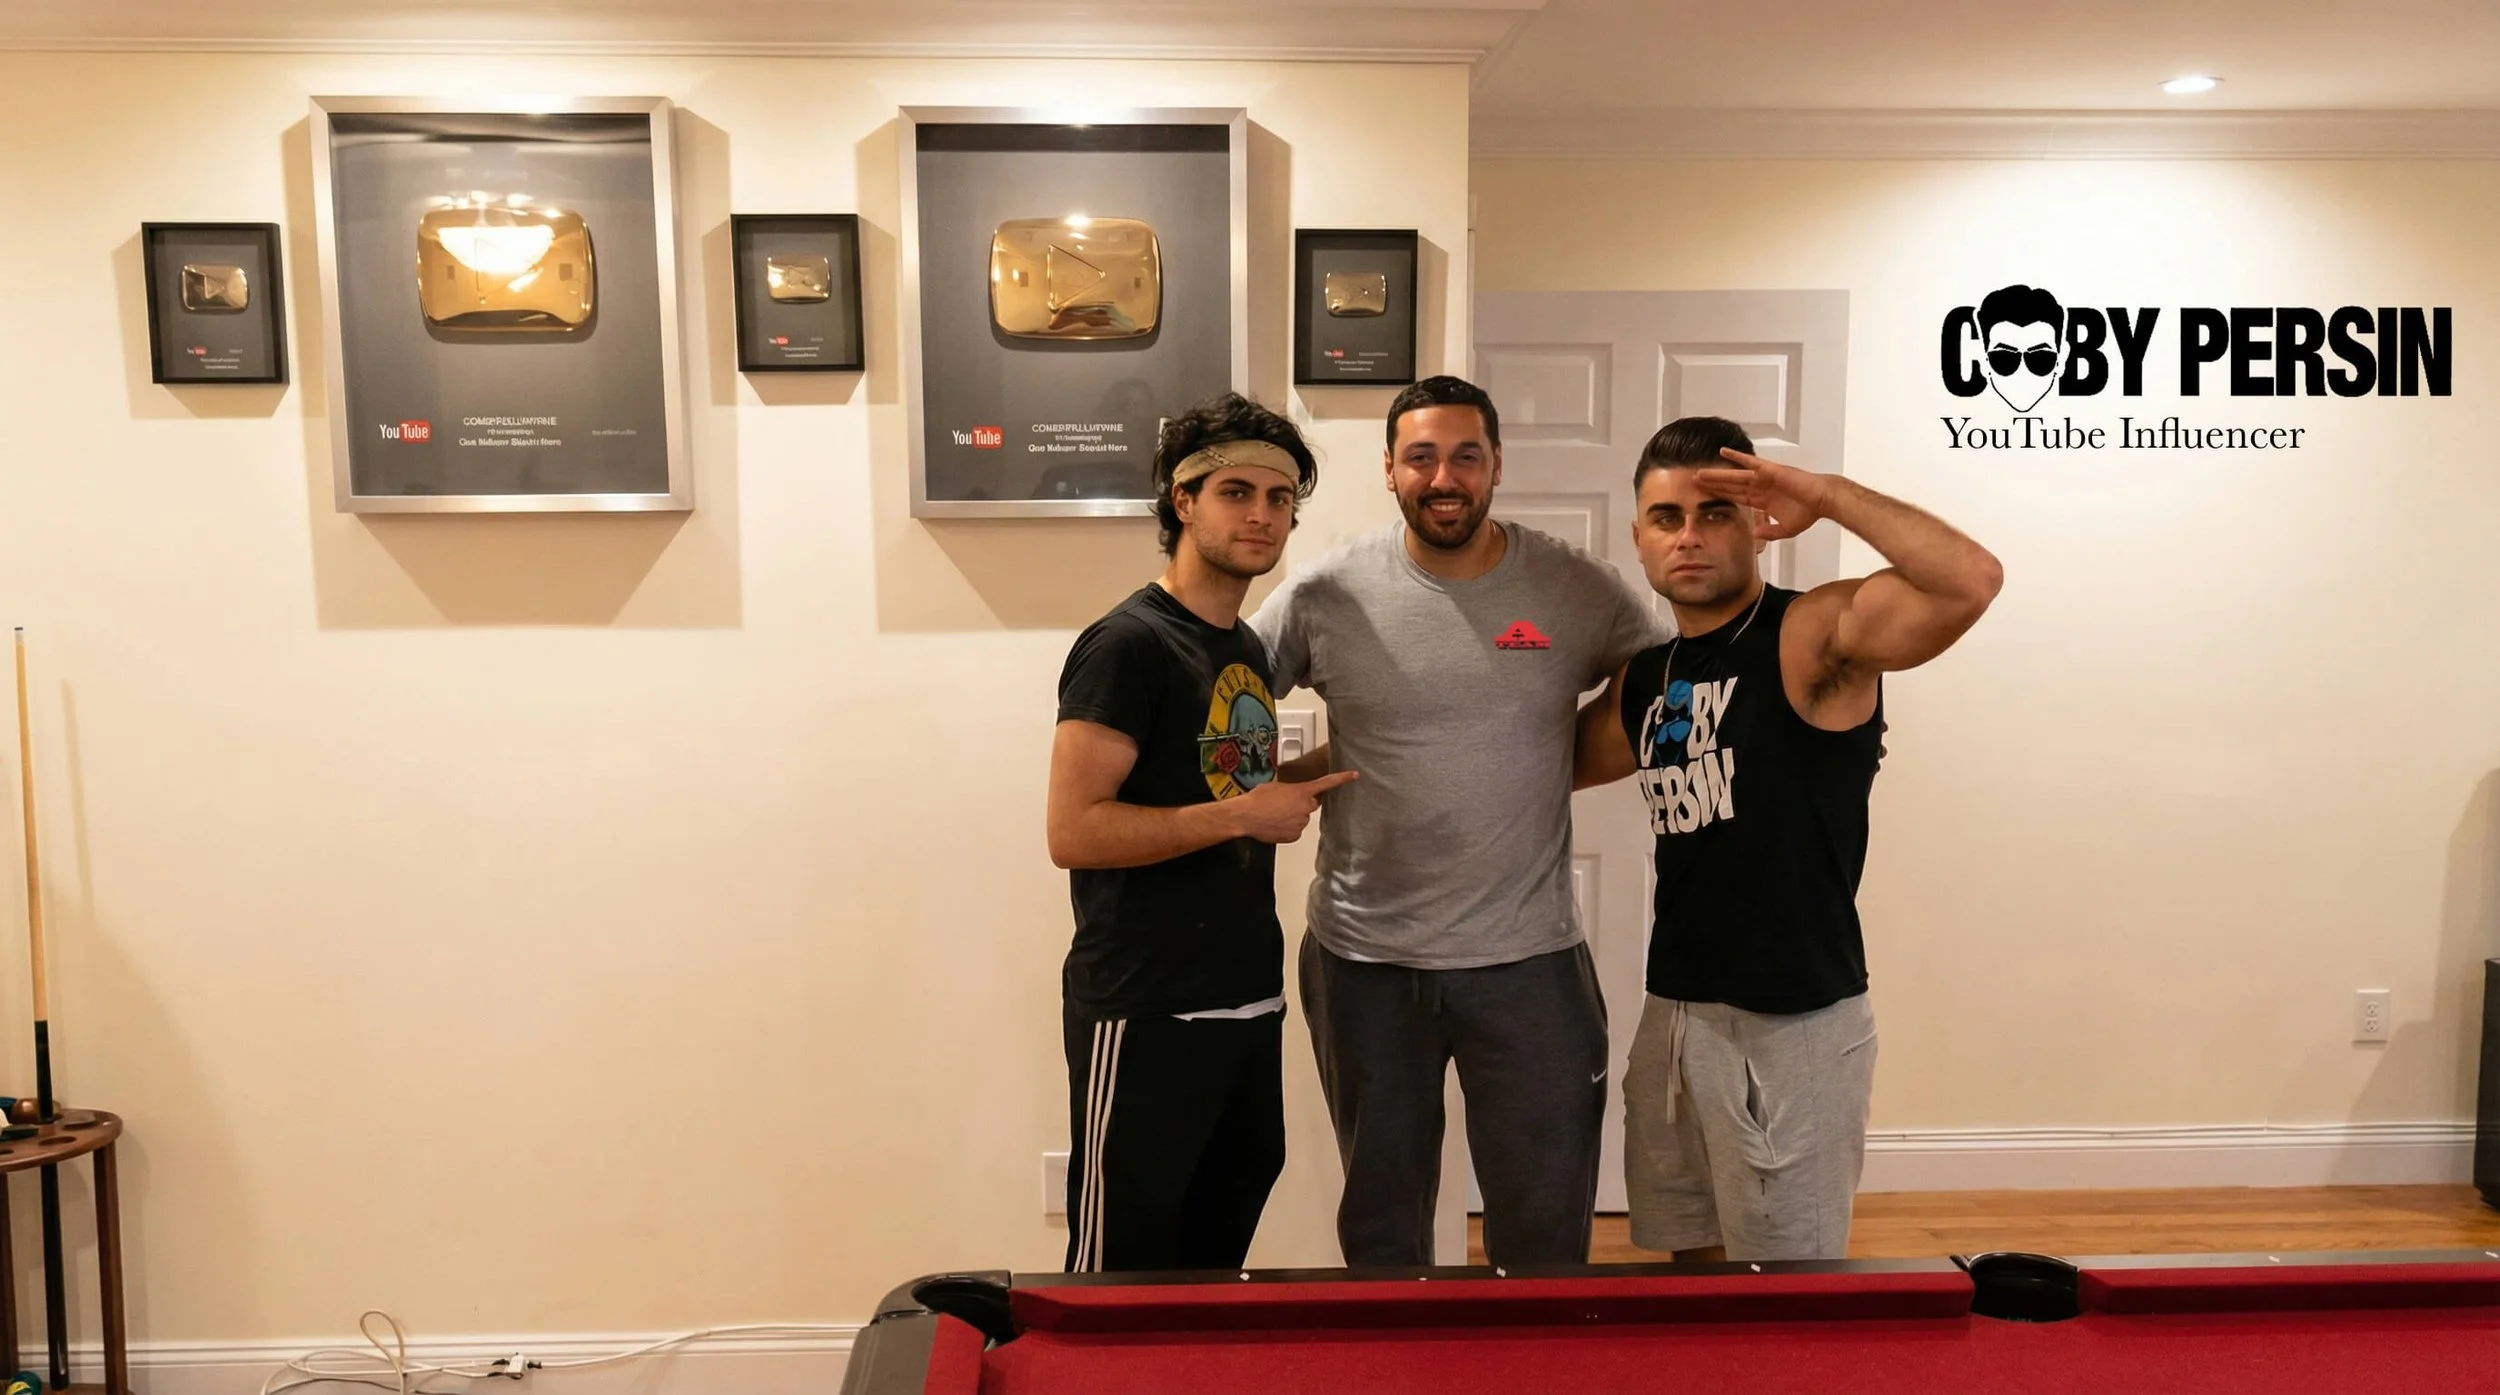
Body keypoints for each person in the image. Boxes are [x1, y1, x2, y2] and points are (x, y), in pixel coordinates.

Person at [1250, 375, 1668, 1267]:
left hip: (1529, 961)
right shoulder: (1325, 591)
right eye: (1422, 457)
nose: (1445, 477)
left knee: (1544, 1232)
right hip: (1365, 960)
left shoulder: (1573, 587)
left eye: (1466, 456)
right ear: (1389, 469)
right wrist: (1278, 783)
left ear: (1497, 465)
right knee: (1383, 1227)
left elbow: (1664, 693)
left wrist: (1550, 764)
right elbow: (1227, 697)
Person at [1575, 416, 2003, 1262]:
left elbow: (1969, 581)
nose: (1689, 536)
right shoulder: (1649, 676)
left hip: (1792, 1022)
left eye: (1715, 513)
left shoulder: (1809, 636)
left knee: (1786, 1285)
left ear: (1757, 526)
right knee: (1691, 1261)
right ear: (1638, 536)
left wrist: (1829, 495)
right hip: (1675, 1013)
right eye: (1667, 517)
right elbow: (1527, 765)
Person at [1045, 393, 1356, 1273]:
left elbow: (1227, 785)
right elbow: (1074, 830)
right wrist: (1244, 813)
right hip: (1146, 1006)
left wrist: (1347, 756)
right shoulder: (1127, 645)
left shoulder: (1244, 648)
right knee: (1120, 1272)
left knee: (1212, 1264)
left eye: (1280, 497)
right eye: (1236, 492)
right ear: (1183, 501)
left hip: (1247, 1000)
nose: (1262, 514)